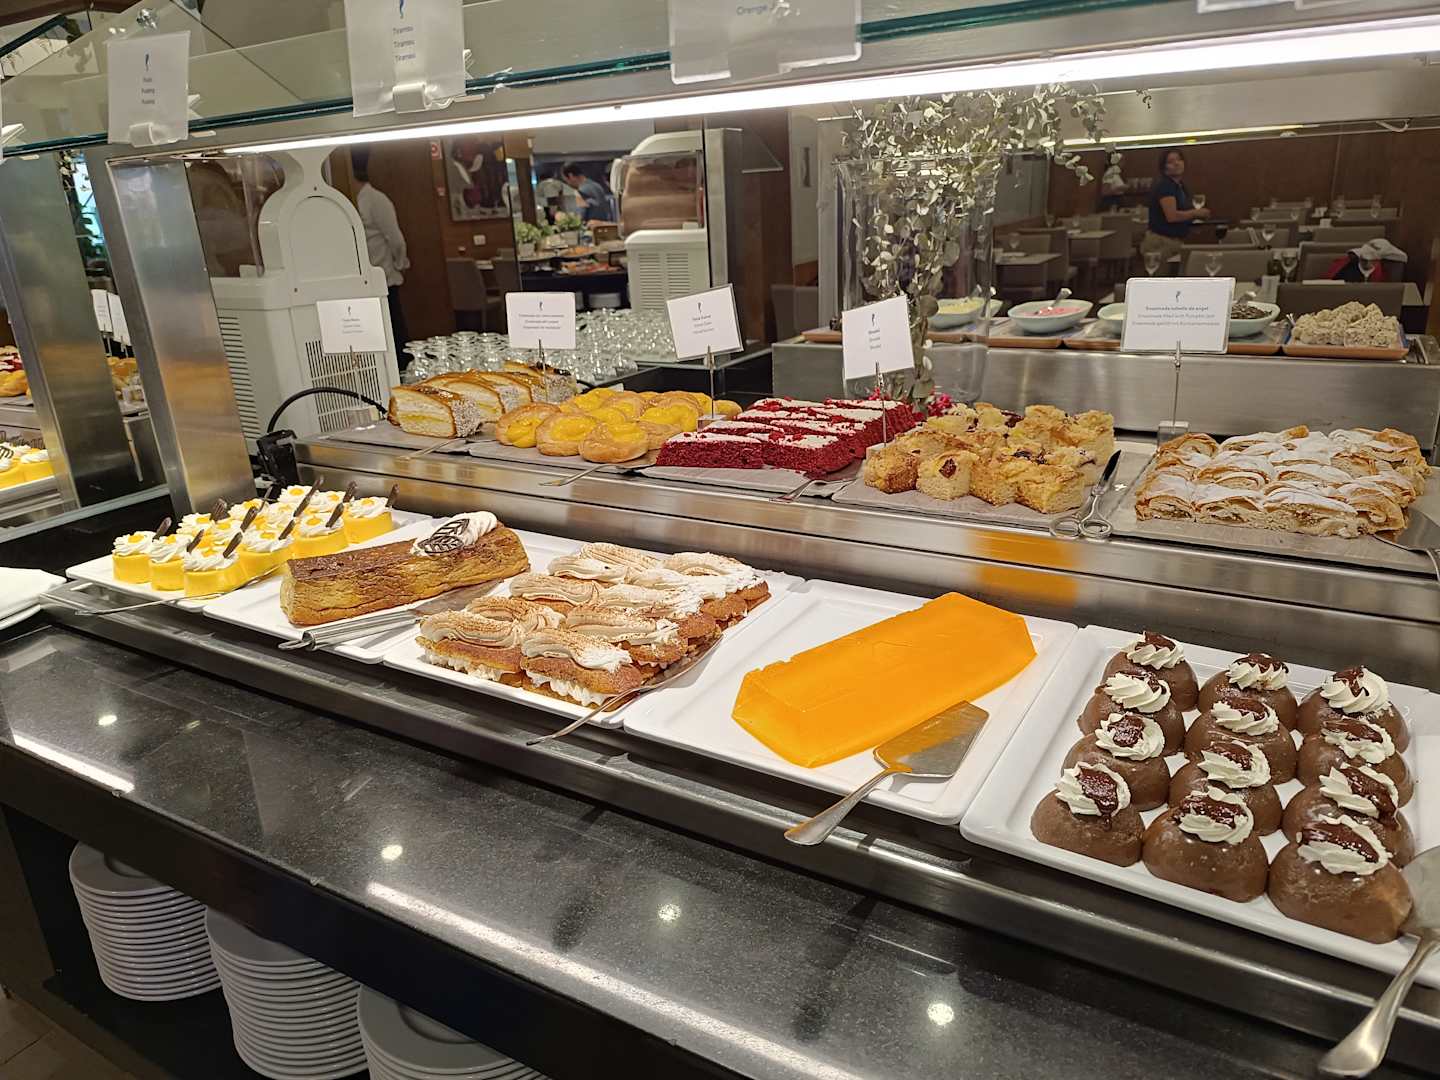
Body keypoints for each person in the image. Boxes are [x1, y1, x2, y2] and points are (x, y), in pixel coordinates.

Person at [351, 148, 411, 356]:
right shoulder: (352, 200)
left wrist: (399, 264)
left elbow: (396, 240)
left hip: (385, 277)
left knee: (395, 334)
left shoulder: (376, 199)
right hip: (362, 282)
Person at [1142, 148, 1209, 267]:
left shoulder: (1180, 186)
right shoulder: (1166, 186)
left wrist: (1192, 223)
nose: (1176, 163)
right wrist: (1195, 213)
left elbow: (1182, 212)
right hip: (1161, 243)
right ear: (1164, 167)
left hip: (1173, 241)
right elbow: (1172, 216)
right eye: (1171, 162)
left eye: (1179, 159)